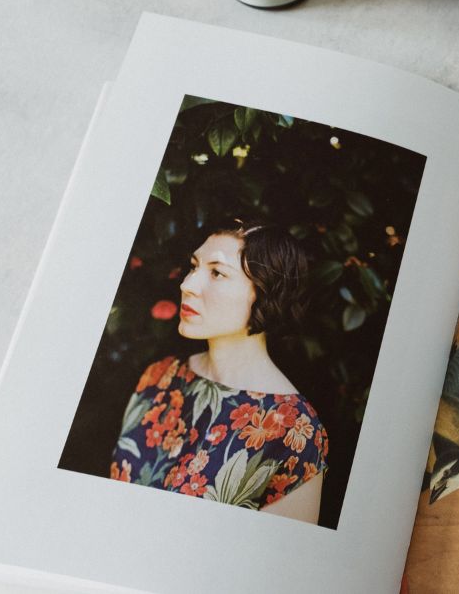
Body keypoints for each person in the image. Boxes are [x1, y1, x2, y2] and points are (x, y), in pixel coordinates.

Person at [109, 222, 327, 524]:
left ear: (265, 292)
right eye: (194, 266)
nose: (187, 285)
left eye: (217, 273)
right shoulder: (161, 375)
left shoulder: (294, 431)